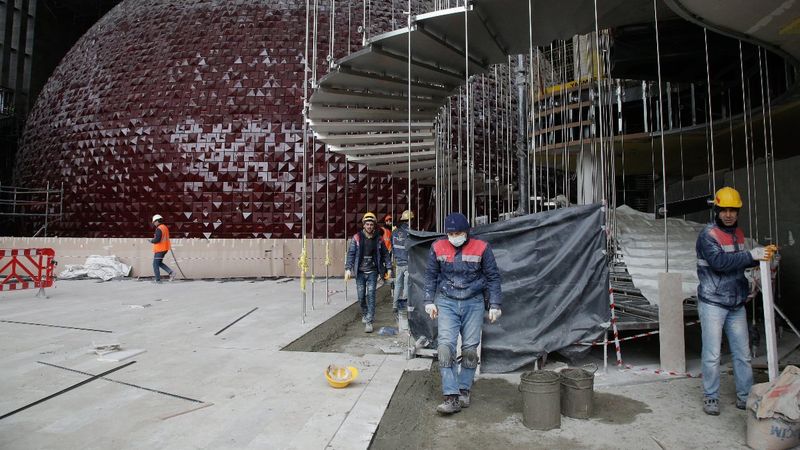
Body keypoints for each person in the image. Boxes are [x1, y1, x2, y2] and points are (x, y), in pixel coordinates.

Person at [696, 187, 776, 415]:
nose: (729, 214)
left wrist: (763, 257)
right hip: (712, 301)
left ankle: (745, 397)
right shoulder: (707, 235)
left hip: (735, 302)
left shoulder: (738, 234)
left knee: (742, 354)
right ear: (717, 210)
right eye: (724, 210)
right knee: (712, 355)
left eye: (733, 210)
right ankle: (711, 397)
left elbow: (737, 262)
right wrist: (752, 255)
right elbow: (720, 263)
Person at [423, 212, 502, 415]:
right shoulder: (437, 247)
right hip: (447, 302)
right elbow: (431, 275)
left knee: (469, 350)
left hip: (473, 302)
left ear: (466, 232)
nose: (454, 236)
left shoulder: (482, 248)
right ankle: (451, 396)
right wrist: (428, 301)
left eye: (458, 232)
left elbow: (493, 277)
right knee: (445, 348)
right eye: (450, 233)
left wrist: (494, 303)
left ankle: (464, 389)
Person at [345, 212, 390, 333]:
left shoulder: (378, 239)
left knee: (371, 295)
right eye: (367, 224)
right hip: (360, 272)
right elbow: (351, 254)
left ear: (374, 225)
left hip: (373, 272)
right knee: (361, 296)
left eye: (371, 224)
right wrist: (348, 268)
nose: (369, 226)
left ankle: (369, 320)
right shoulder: (357, 238)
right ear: (364, 225)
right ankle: (365, 314)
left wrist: (389, 268)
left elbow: (385, 254)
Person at [392, 210, 413, 323]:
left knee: (398, 285)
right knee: (406, 285)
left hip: (398, 263)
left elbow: (393, 248)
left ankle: (395, 306)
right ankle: (403, 307)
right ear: (410, 220)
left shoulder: (394, 232)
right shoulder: (410, 233)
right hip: (408, 263)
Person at [150, 214, 175, 283]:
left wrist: (151, 241)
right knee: (159, 263)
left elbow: (157, 239)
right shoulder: (164, 227)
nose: (154, 223)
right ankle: (171, 272)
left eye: (154, 222)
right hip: (165, 248)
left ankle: (157, 280)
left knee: (155, 264)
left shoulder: (159, 229)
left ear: (157, 221)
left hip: (160, 249)